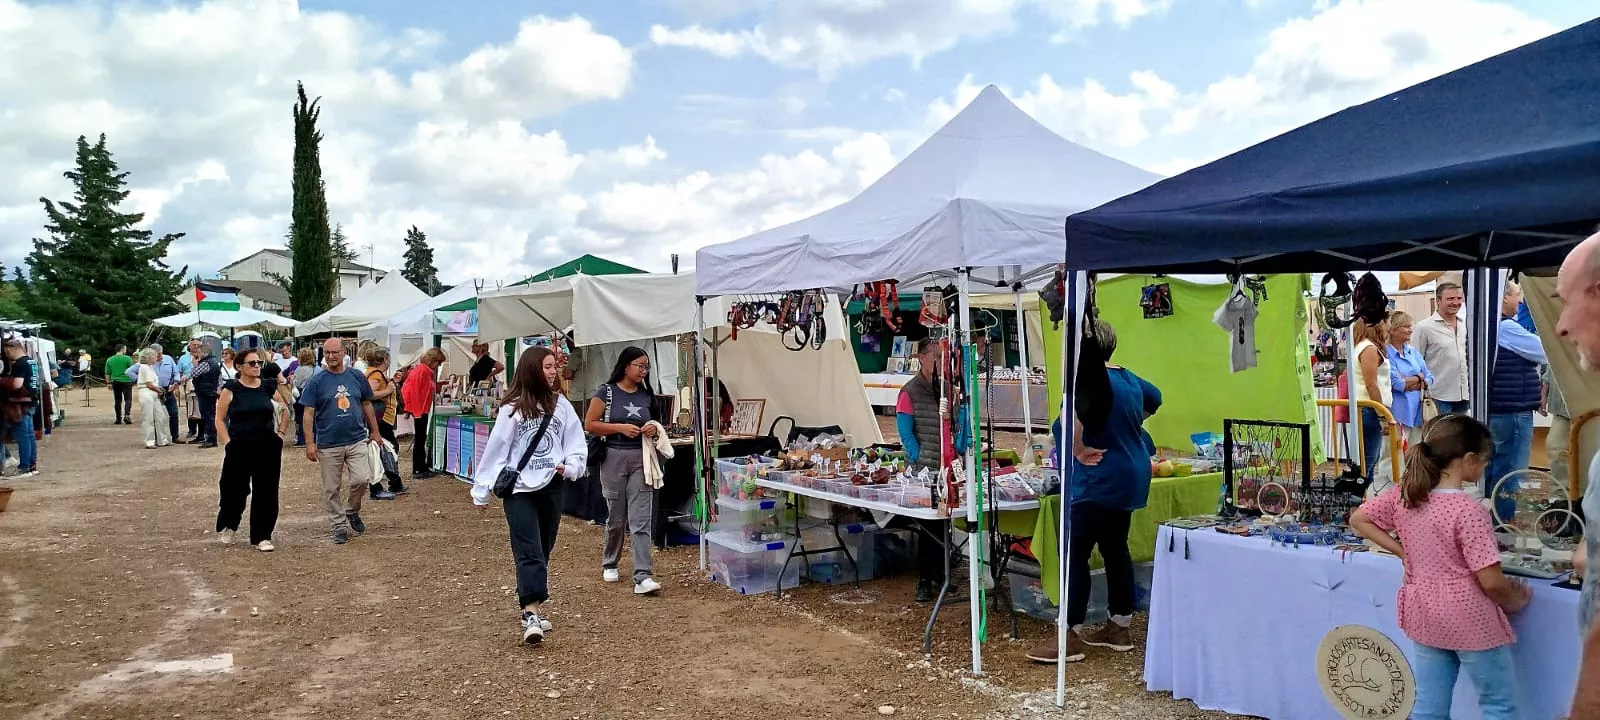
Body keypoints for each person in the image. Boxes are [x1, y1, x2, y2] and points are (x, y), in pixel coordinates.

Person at [1348, 414, 1529, 720]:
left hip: (1425, 612)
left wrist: (1402, 552)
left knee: (1429, 708)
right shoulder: (1469, 511)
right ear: (1468, 459)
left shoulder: (1405, 498)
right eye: (1484, 460)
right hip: (1471, 619)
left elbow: (1358, 519)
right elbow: (1491, 581)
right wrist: (1514, 600)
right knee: (1499, 706)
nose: (1485, 465)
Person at [1028, 320, 1161, 665]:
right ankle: (1119, 627)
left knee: (1074, 554)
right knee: (1116, 548)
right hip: (1130, 472)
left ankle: (1068, 634)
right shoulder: (1128, 378)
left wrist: (1076, 450)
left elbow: (1067, 421)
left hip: (1097, 476)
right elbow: (1156, 397)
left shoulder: (1082, 383)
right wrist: (1131, 424)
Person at [473, 346, 588, 644]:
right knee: (528, 549)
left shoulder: (561, 406)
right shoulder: (512, 408)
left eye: (554, 366)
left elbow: (576, 442)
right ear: (531, 369)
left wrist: (572, 466)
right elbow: (496, 449)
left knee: (544, 546)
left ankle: (532, 602)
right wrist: (482, 490)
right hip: (519, 490)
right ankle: (531, 612)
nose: (552, 372)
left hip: (552, 484)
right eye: (546, 367)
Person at [584, 346, 662, 596]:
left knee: (641, 519)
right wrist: (619, 427)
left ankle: (643, 575)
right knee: (616, 516)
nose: (643, 371)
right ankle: (610, 560)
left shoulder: (647, 395)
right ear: (625, 366)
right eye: (640, 365)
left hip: (642, 458)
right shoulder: (605, 392)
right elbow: (590, 423)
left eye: (646, 367)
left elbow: (659, 423)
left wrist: (653, 428)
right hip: (613, 457)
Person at [894, 340, 962, 604]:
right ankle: (924, 578)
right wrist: (918, 457)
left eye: (941, 356)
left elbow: (955, 422)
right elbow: (905, 433)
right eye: (935, 356)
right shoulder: (909, 392)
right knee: (927, 526)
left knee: (943, 523)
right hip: (923, 471)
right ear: (921, 358)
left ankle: (939, 574)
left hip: (945, 467)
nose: (939, 360)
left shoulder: (946, 389)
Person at [301, 337, 382, 545]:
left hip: (356, 438)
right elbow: (308, 413)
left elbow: (366, 404)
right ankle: (338, 525)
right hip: (328, 443)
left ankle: (352, 510)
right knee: (331, 487)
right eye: (327, 353)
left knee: (361, 479)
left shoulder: (356, 376)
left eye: (335, 352)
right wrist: (310, 443)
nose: (331, 357)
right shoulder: (316, 381)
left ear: (344, 352)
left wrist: (375, 431)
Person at [214, 348, 287, 552]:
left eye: (259, 363)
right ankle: (230, 523)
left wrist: (280, 434)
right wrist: (227, 442)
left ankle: (262, 535)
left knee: (267, 490)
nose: (257, 367)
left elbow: (284, 409)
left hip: (267, 445)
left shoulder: (267, 386)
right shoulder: (231, 389)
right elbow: (219, 419)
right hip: (239, 445)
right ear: (239, 367)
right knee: (233, 488)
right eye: (252, 363)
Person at [1485, 280, 1545, 511]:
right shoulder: (1507, 327)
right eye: (1517, 295)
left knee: (1497, 466)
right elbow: (1543, 351)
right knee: (1512, 470)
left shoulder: (1489, 324)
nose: (1520, 301)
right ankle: (1503, 525)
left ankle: (1494, 521)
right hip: (1513, 409)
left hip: (1498, 407)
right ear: (1503, 298)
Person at [1413, 281, 1471, 414]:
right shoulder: (1424, 328)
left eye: (1459, 298)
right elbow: (1415, 362)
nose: (1455, 302)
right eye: (1450, 299)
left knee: (1462, 434)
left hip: (1464, 395)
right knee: (1441, 434)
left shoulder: (1465, 325)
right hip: (1438, 395)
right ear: (1438, 301)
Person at [1350, 316, 1393, 489]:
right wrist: (1381, 415)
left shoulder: (1364, 347)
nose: (1389, 327)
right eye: (1388, 322)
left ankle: (1358, 501)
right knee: (1367, 462)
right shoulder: (1369, 349)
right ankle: (1357, 502)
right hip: (1370, 408)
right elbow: (1371, 384)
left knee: (1367, 460)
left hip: (1368, 408)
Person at [1385, 311, 1434, 446]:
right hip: (1398, 413)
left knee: (1414, 452)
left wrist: (1410, 381)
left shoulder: (1413, 352)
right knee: (1393, 456)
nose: (1410, 330)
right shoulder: (1386, 354)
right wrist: (1419, 377)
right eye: (1406, 326)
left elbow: (1429, 377)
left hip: (1418, 412)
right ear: (1393, 329)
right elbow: (1397, 384)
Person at [364, 347, 404, 499]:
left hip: (381, 418)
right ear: (384, 360)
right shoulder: (375, 375)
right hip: (380, 419)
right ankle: (384, 484)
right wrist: (387, 390)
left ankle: (394, 481)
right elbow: (369, 394)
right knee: (385, 449)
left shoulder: (374, 373)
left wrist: (392, 382)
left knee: (386, 449)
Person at [401, 348, 446, 480]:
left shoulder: (424, 370)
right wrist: (415, 411)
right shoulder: (422, 371)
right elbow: (413, 391)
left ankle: (422, 466)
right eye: (439, 362)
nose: (439, 365)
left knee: (421, 438)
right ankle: (418, 468)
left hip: (421, 409)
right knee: (420, 439)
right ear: (434, 360)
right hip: (420, 410)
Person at [2, 339, 39, 476]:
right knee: (30, 436)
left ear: (11, 348)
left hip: (20, 403)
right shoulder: (31, 361)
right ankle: (32, 465)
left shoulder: (19, 364)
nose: (6, 354)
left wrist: (5, 384)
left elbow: (17, 384)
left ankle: (24, 467)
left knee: (22, 436)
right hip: (32, 401)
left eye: (6, 351)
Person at [1540, 364, 1572, 485]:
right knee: (1555, 447)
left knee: (1589, 452)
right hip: (1562, 409)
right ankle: (1562, 492)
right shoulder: (1559, 345)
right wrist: (1543, 395)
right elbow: (1550, 369)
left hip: (1589, 406)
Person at [135, 348, 171, 449]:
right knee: (148, 418)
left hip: (153, 394)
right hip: (147, 393)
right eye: (155, 356)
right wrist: (159, 390)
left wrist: (158, 390)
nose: (156, 358)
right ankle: (149, 441)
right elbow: (149, 384)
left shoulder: (150, 367)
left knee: (161, 416)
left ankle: (162, 439)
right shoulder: (144, 367)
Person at [190, 340, 222, 448]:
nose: (197, 354)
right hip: (211, 391)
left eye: (199, 352)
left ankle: (210, 439)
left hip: (205, 392)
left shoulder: (205, 363)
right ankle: (211, 438)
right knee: (210, 415)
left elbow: (193, 373)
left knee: (207, 416)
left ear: (204, 352)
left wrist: (195, 364)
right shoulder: (215, 362)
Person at [291, 347, 316, 447]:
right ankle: (315, 437)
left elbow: (296, 383)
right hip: (314, 395)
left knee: (300, 417)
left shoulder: (300, 369)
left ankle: (301, 438)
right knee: (313, 417)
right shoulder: (317, 368)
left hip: (302, 394)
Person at [105, 344, 134, 425]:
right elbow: (132, 369)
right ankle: (127, 415)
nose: (126, 350)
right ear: (122, 349)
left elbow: (107, 373)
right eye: (125, 349)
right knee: (128, 399)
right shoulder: (127, 358)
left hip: (115, 381)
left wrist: (108, 383)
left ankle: (118, 418)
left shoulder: (110, 359)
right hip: (127, 380)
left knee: (117, 400)